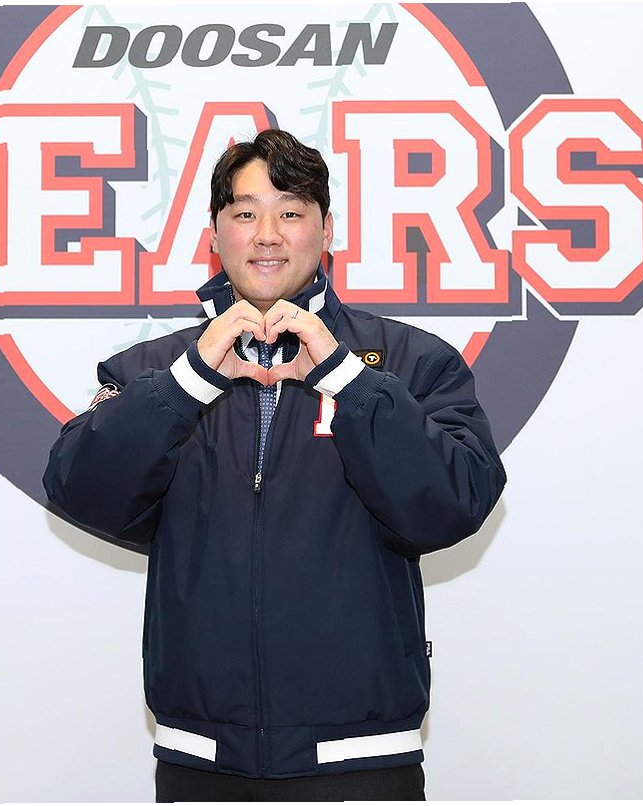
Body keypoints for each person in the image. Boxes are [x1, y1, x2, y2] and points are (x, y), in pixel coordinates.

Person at [44, 129, 506, 802]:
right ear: (214, 233)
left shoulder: (413, 363)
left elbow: (456, 503)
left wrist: (345, 378)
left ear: (327, 230)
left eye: (290, 212)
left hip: (363, 759)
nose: (267, 235)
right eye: (245, 213)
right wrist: (190, 381)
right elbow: (80, 489)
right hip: (202, 760)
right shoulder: (152, 371)